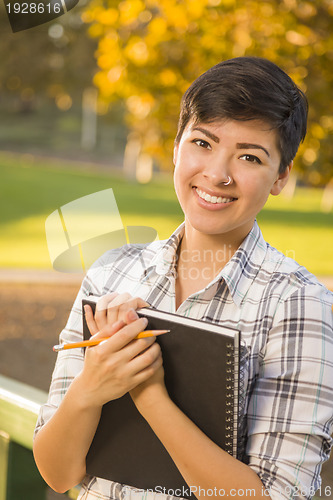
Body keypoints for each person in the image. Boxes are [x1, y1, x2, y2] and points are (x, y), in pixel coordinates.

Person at [33, 56, 333, 500]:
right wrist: (90, 387)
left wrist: (150, 394)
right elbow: (58, 475)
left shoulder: (299, 304)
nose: (217, 174)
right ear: (176, 147)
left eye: (249, 156)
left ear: (281, 177)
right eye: (203, 143)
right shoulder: (112, 272)